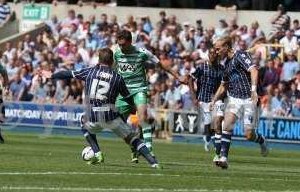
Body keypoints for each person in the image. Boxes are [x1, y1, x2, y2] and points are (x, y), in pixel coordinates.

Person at [52, 47, 160, 169]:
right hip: (111, 117)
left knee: (82, 119)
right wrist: (136, 110)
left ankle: (97, 153)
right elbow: (128, 98)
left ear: (99, 59)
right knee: (132, 139)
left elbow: (67, 74)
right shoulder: (118, 77)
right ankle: (154, 163)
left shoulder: (90, 71)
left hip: (93, 116)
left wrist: (51, 75)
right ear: (112, 61)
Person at [113, 29, 187, 162]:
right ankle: (135, 147)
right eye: (119, 44)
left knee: (143, 118)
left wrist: (178, 76)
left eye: (123, 44)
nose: (121, 47)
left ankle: (149, 149)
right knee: (119, 126)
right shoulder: (116, 53)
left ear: (130, 42)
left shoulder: (142, 53)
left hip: (139, 90)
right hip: (123, 93)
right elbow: (111, 71)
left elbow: (161, 65)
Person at [211, 36, 268, 169]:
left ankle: (262, 140)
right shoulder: (226, 64)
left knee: (249, 135)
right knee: (227, 125)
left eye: (218, 49)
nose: (217, 52)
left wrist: (254, 90)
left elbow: (254, 70)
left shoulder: (240, 55)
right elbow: (224, 85)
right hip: (235, 99)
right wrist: (214, 100)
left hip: (249, 98)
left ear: (226, 47)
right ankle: (224, 157)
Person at [188, 47, 225, 164]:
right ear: (208, 55)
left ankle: (217, 154)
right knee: (208, 126)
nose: (213, 55)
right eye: (211, 53)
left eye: (215, 53)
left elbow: (225, 84)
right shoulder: (202, 68)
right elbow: (190, 79)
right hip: (204, 100)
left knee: (218, 123)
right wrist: (194, 97)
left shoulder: (221, 69)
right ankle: (207, 139)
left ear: (218, 55)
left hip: (217, 100)